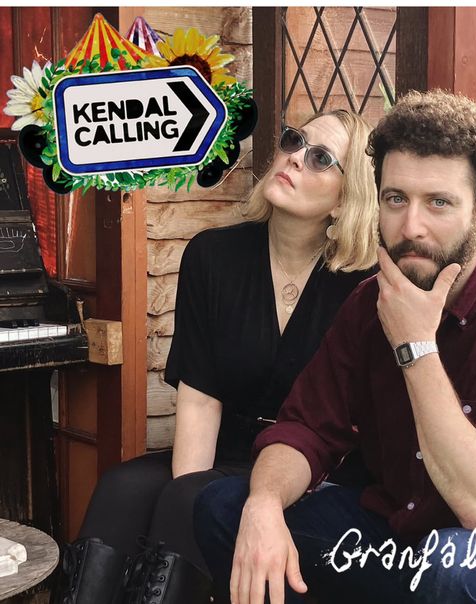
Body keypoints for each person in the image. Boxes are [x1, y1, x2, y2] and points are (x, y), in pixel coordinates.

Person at [195, 90, 476, 604]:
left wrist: (415, 345)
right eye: (396, 199)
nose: (411, 228)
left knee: (455, 567)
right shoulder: (369, 304)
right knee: (227, 508)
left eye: (438, 203)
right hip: (404, 538)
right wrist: (265, 505)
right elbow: (305, 429)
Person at [53, 109, 380, 604]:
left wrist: (190, 501)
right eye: (294, 141)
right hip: (226, 449)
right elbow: (201, 398)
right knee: (122, 488)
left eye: (320, 159)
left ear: (345, 199)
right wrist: (191, 492)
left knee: (184, 500)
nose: (294, 158)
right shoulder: (214, 256)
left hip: (311, 466)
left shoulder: (362, 286)